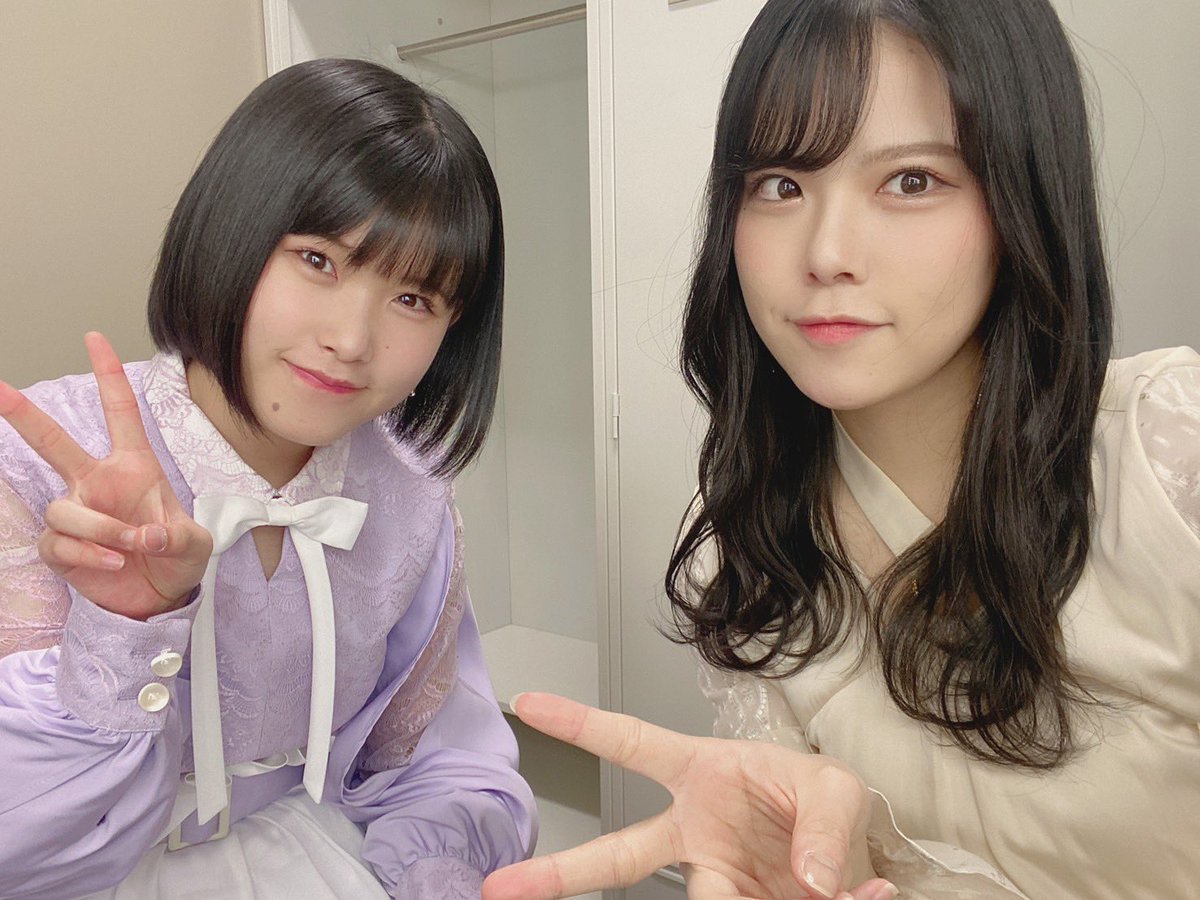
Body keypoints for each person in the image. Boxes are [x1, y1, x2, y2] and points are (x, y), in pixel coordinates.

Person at [482, 0, 1199, 898]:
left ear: (1023, 196)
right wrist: (813, 870)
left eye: (911, 181)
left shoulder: (1171, 456)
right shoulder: (744, 553)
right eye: (780, 185)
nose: (825, 253)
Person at [0, 58, 535, 899]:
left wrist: (434, 876)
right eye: (318, 260)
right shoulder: (35, 463)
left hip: (316, 856)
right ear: (231, 230)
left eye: (414, 300)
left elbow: (434, 754)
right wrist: (125, 629)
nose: (351, 340)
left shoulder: (411, 491)